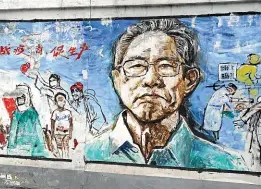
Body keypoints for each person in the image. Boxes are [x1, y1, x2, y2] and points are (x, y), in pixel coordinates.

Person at [85, 18, 246, 171]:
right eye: (136, 66)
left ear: (189, 80)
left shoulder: (226, 163)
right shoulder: (88, 153)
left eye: (166, 66)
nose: (151, 80)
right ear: (117, 80)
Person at [51, 92, 73, 158]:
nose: (61, 102)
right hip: (57, 133)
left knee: (66, 146)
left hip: (66, 133)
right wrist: (52, 133)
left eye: (63, 100)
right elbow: (52, 123)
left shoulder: (68, 112)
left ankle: (66, 157)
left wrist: (70, 133)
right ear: (56, 102)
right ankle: (60, 158)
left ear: (65, 101)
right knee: (59, 146)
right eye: (59, 100)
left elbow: (71, 124)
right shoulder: (55, 112)